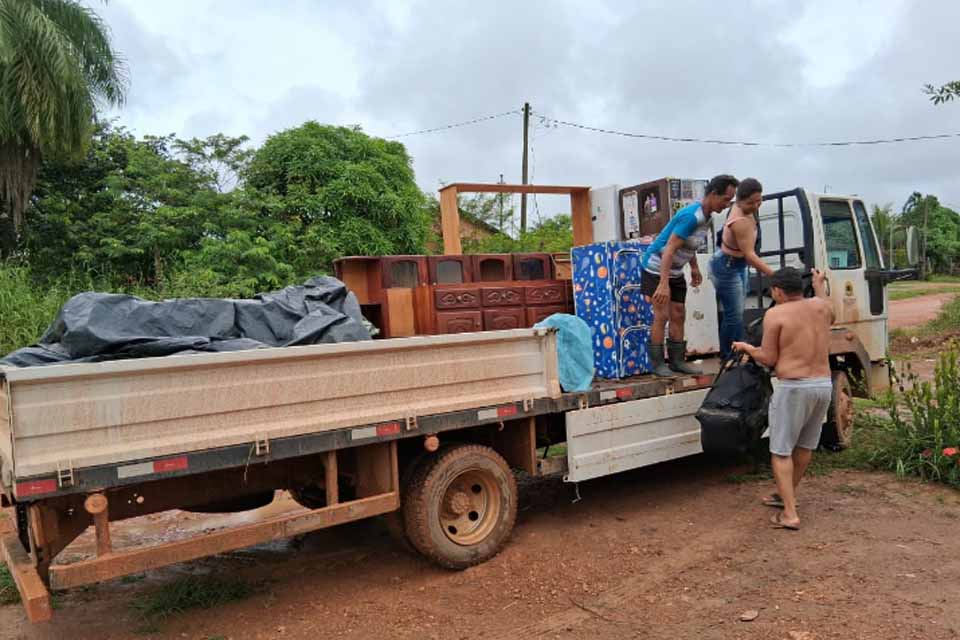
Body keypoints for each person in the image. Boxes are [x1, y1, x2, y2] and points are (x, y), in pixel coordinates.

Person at [732, 267, 834, 531]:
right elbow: (827, 309)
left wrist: (747, 348)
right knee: (804, 447)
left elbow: (768, 358)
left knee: (780, 451)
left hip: (794, 387)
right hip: (823, 385)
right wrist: (819, 284)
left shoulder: (775, 314)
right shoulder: (821, 307)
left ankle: (790, 513)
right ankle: (784, 494)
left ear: (777, 290)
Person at [641, 174, 739, 377]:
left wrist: (694, 266)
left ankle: (678, 361)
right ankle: (658, 364)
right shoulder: (692, 216)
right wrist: (663, 284)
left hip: (675, 270)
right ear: (713, 194)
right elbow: (669, 249)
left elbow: (689, 243)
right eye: (725, 199)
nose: (727, 204)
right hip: (657, 267)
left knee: (679, 314)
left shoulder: (707, 216)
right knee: (662, 315)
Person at [709, 178, 775, 360]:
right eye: (750, 202)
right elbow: (750, 255)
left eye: (758, 201)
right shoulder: (740, 220)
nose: (755, 206)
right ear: (739, 200)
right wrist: (774, 275)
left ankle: (738, 351)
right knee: (734, 315)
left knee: (738, 312)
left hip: (737, 264)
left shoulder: (748, 211)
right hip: (727, 265)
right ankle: (729, 355)